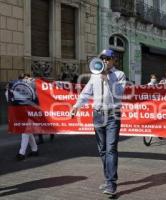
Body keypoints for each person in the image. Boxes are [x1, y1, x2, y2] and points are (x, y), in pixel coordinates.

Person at [71, 49, 126, 196]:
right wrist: (76, 106)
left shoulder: (119, 75)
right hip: (98, 115)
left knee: (111, 149)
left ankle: (111, 183)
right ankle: (108, 178)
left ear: (114, 60)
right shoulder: (95, 75)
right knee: (102, 150)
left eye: (108, 58)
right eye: (103, 58)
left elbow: (119, 94)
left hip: (113, 115)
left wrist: (108, 79)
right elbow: (86, 93)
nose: (105, 61)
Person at [7, 73, 39, 161]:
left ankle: (21, 153)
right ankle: (34, 150)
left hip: (31, 112)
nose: (25, 80)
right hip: (21, 112)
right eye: (23, 79)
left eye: (26, 78)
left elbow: (37, 97)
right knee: (28, 132)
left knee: (25, 131)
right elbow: (8, 97)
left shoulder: (33, 86)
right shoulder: (16, 87)